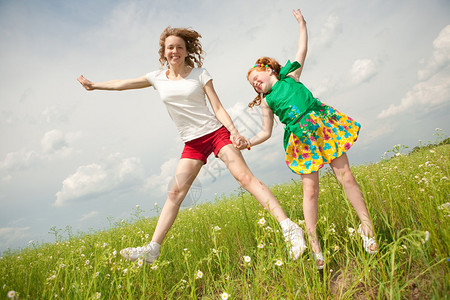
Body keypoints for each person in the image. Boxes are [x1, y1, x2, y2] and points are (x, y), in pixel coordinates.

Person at [77, 26, 307, 264]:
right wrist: (95, 86)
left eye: (179, 47)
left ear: (187, 51)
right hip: (192, 143)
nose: (174, 51)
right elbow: (123, 83)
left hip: (216, 133)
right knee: (175, 193)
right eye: (170, 47)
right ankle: (152, 250)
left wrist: (234, 132)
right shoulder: (156, 78)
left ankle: (289, 228)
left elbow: (217, 107)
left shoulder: (200, 74)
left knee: (245, 179)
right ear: (164, 52)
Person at [240, 9, 377, 269]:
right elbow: (265, 132)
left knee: (345, 175)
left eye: (256, 79)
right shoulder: (267, 102)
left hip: (321, 126)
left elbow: (302, 49)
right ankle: (315, 246)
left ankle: (367, 228)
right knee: (310, 190)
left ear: (269, 71)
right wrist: (247, 142)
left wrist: (302, 24)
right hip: (300, 141)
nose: (255, 85)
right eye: (252, 85)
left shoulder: (291, 77)